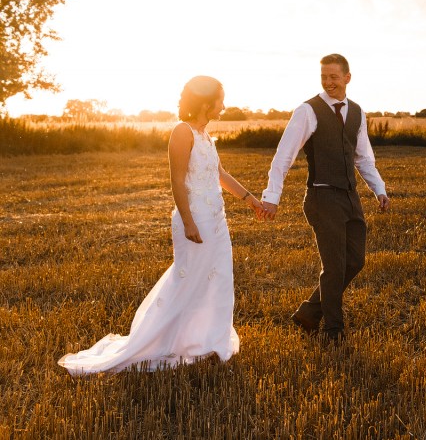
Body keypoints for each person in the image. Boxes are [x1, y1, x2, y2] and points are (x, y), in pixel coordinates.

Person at [59, 76, 262, 375]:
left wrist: (250, 199)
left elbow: (220, 173)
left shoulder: (205, 135)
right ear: (206, 103)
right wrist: (189, 221)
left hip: (217, 220)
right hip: (195, 219)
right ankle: (160, 340)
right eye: (220, 99)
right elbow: (177, 180)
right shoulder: (182, 132)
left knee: (217, 280)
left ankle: (207, 340)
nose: (224, 105)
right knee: (187, 281)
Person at [260, 54, 390, 342]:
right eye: (324, 77)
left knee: (355, 261)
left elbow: (363, 157)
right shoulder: (307, 111)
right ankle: (334, 330)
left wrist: (378, 189)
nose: (328, 82)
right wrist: (272, 196)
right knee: (333, 266)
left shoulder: (356, 112)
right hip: (322, 196)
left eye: (333, 76)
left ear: (347, 77)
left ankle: (309, 311)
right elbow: (284, 156)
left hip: (350, 196)